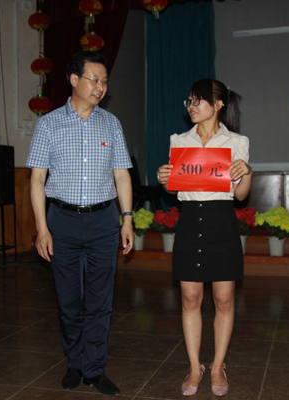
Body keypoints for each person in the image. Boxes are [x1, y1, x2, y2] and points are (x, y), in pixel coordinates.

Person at [26, 50, 134, 396]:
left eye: (104, 81)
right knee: (69, 301)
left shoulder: (111, 123)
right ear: (74, 80)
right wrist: (42, 228)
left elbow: (122, 175)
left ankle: (95, 368)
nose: (100, 87)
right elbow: (36, 179)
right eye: (94, 79)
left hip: (103, 221)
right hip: (62, 222)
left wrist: (127, 219)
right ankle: (74, 363)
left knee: (101, 302)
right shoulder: (49, 124)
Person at [156, 79, 252, 397]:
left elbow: (241, 195)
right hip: (190, 220)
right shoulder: (180, 140)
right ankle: (195, 367)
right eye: (189, 101)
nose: (191, 106)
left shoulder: (236, 141)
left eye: (197, 100)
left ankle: (218, 366)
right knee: (190, 298)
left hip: (221, 221)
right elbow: (175, 190)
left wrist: (246, 172)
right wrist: (165, 179)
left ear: (218, 104)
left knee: (224, 299)